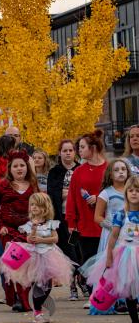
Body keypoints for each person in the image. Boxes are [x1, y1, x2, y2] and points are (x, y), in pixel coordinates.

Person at [1, 193, 75, 323]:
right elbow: (30, 240)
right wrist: (34, 230)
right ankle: (37, 311)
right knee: (38, 283)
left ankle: (42, 300)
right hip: (35, 256)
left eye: (37, 205)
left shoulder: (51, 223)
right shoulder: (30, 224)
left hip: (49, 255)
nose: (34, 207)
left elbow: (55, 238)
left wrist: (42, 239)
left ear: (45, 208)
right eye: (32, 205)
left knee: (48, 284)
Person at [82, 176, 139, 323]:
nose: (134, 193)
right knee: (128, 290)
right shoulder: (122, 214)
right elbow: (113, 236)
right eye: (131, 190)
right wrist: (109, 257)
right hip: (125, 255)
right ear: (126, 193)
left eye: (137, 190)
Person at [0, 150, 38, 312]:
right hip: (8, 232)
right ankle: (18, 299)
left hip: (29, 231)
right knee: (15, 264)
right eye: (16, 166)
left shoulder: (33, 185)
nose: (19, 169)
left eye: (22, 166)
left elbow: (41, 206)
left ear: (27, 168)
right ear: (10, 168)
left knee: (28, 266)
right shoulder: (3, 185)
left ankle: (25, 297)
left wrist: (38, 225)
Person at [66, 130, 107, 309]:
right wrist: (71, 222)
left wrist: (99, 197)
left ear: (93, 147)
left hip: (107, 224)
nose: (79, 151)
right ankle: (93, 297)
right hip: (85, 225)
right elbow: (72, 199)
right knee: (89, 261)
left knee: (107, 261)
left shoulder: (109, 169)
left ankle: (108, 296)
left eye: (82, 147)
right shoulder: (78, 172)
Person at [47, 139, 82, 300]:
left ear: (75, 153)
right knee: (69, 252)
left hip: (80, 218)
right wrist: (68, 192)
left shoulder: (81, 169)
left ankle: (83, 281)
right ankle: (73, 286)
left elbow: (84, 192)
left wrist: (70, 192)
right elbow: (52, 194)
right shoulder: (55, 172)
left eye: (70, 150)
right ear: (60, 153)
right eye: (65, 150)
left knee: (81, 252)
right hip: (62, 218)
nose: (68, 153)